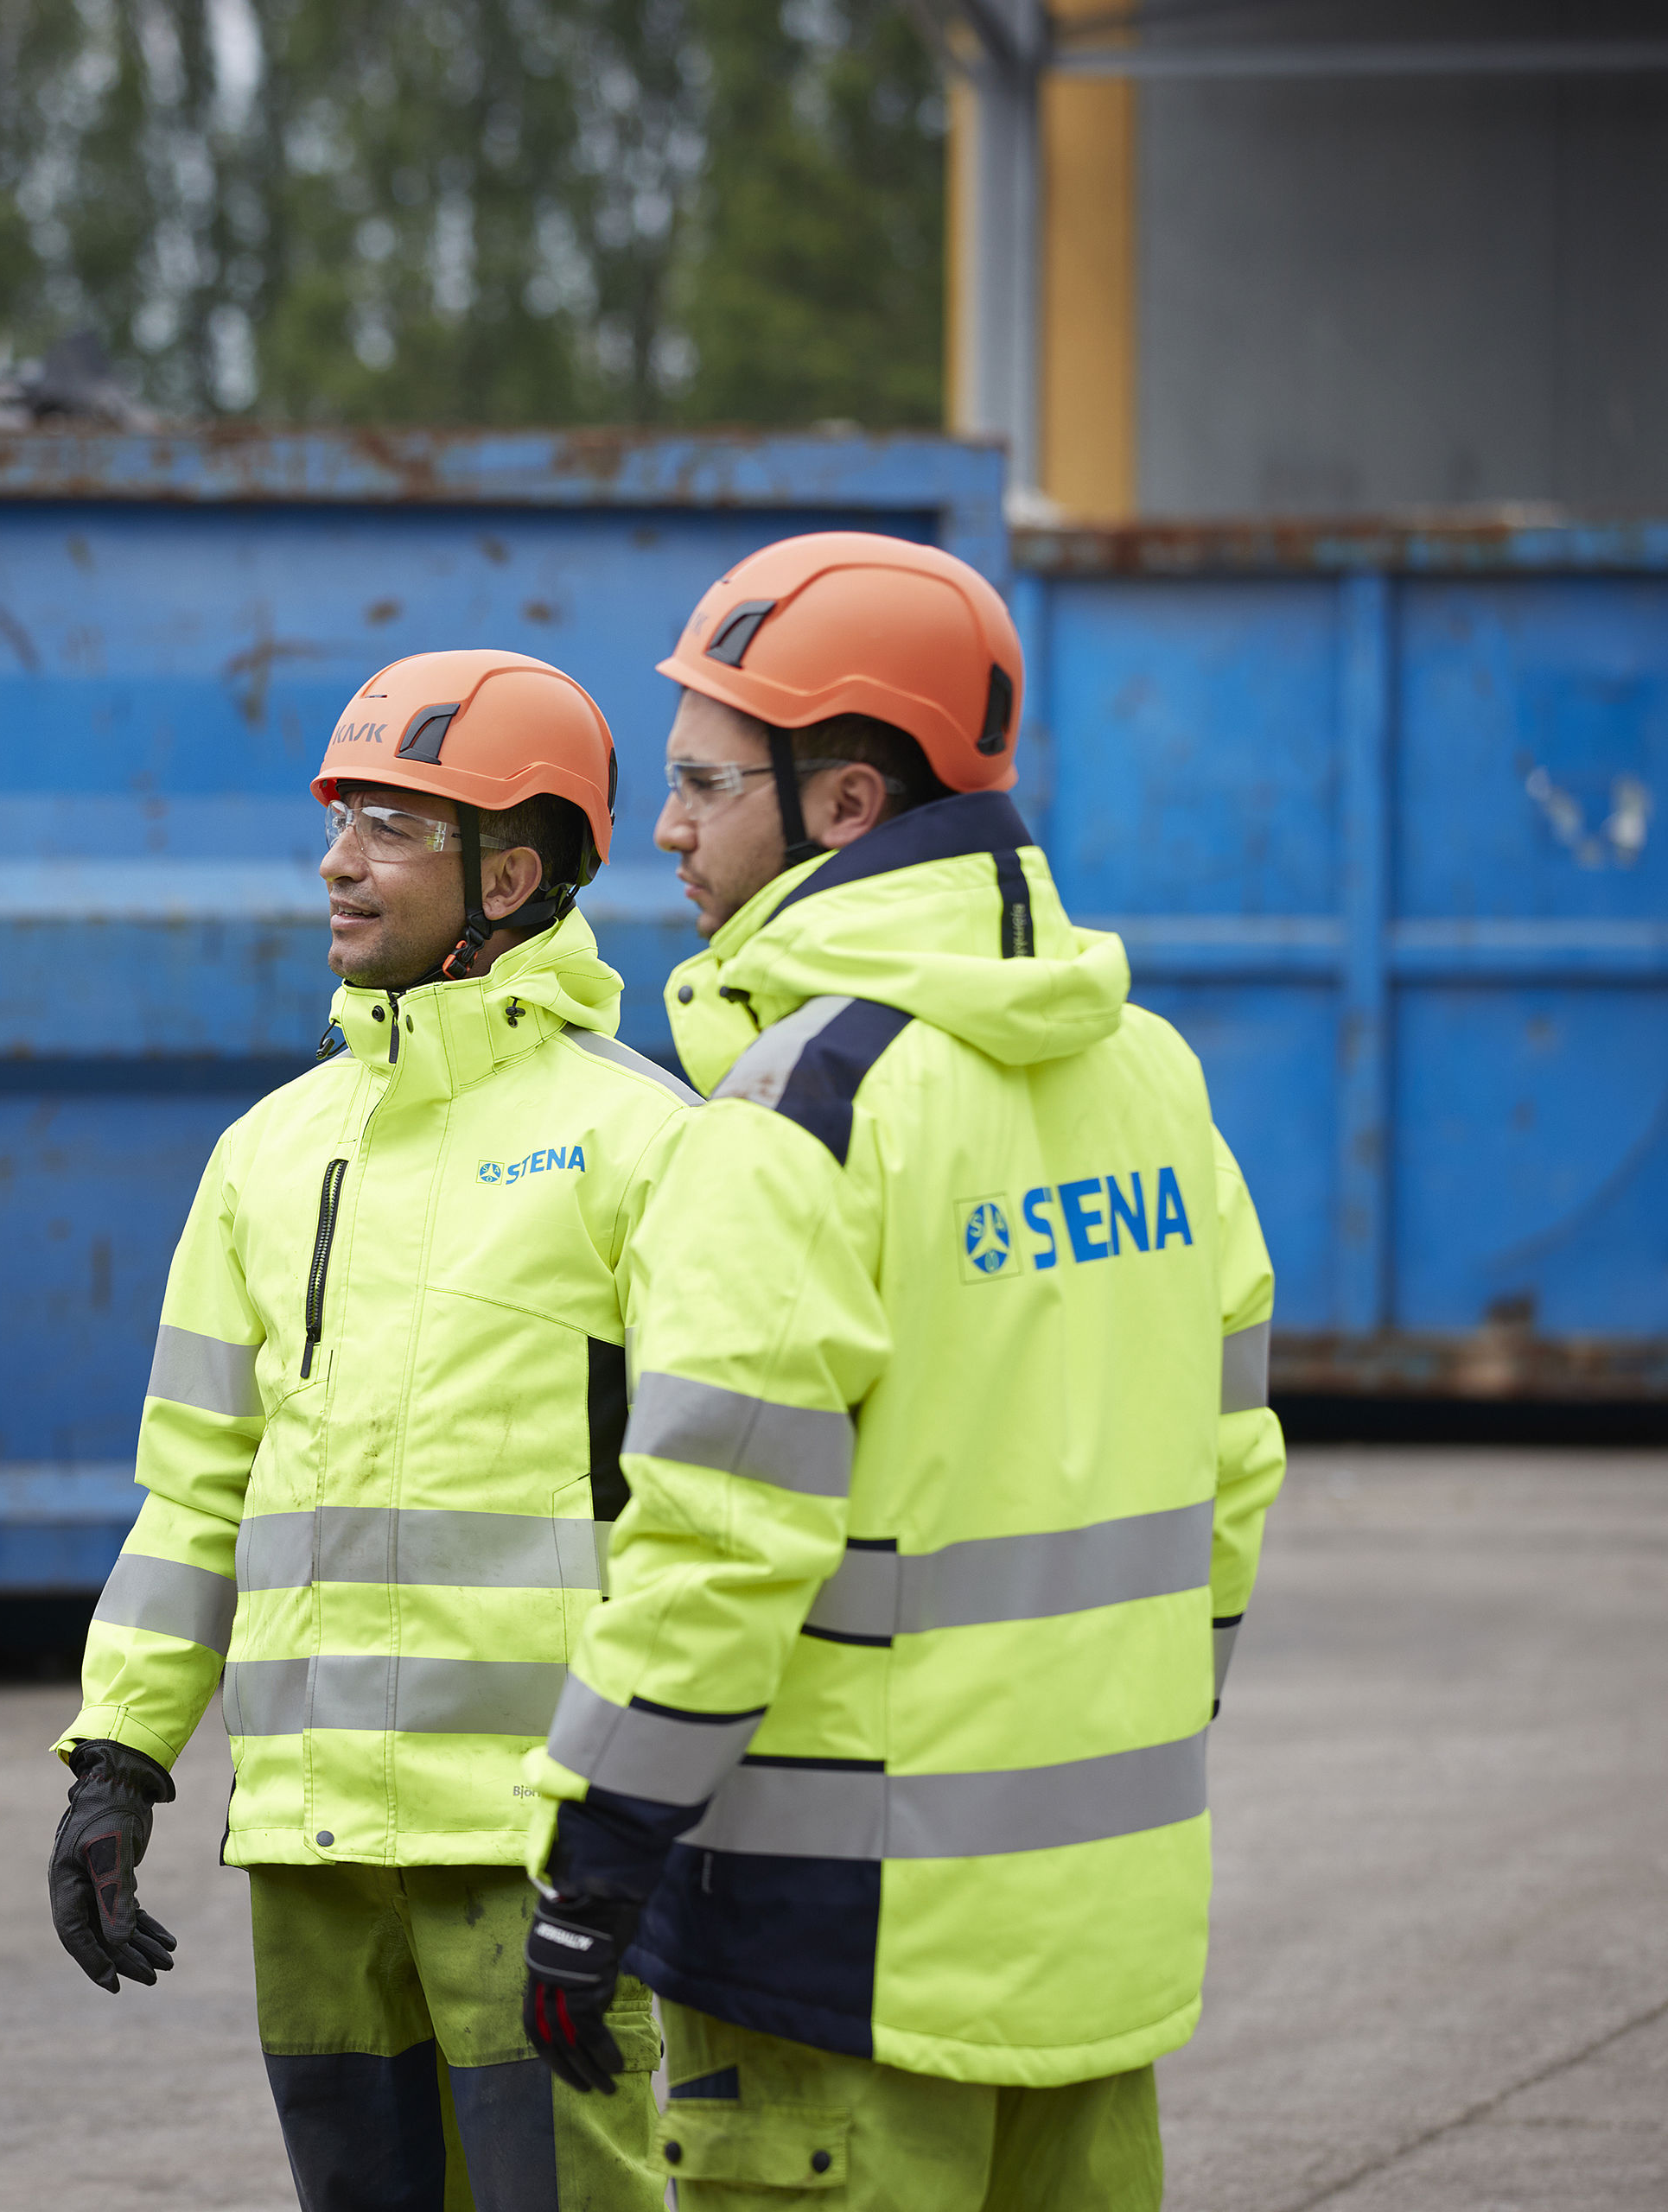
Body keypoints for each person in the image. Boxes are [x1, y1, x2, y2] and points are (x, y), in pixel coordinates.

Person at [513, 534, 1289, 2209]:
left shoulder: (804, 1105)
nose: (666, 830)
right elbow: (1227, 1480)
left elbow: (722, 1533)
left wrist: (595, 1856)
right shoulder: (1154, 1078)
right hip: (1097, 1944)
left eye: (705, 784)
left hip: (835, 1963)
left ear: (845, 802)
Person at [48, 648, 697, 2212]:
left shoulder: (647, 1147)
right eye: (341, 821)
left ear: (513, 870)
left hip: (540, 1855)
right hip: (318, 1848)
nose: (337, 863)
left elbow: (715, 1514)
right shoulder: (268, 1153)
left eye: (394, 826)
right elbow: (197, 1490)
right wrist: (122, 1755)